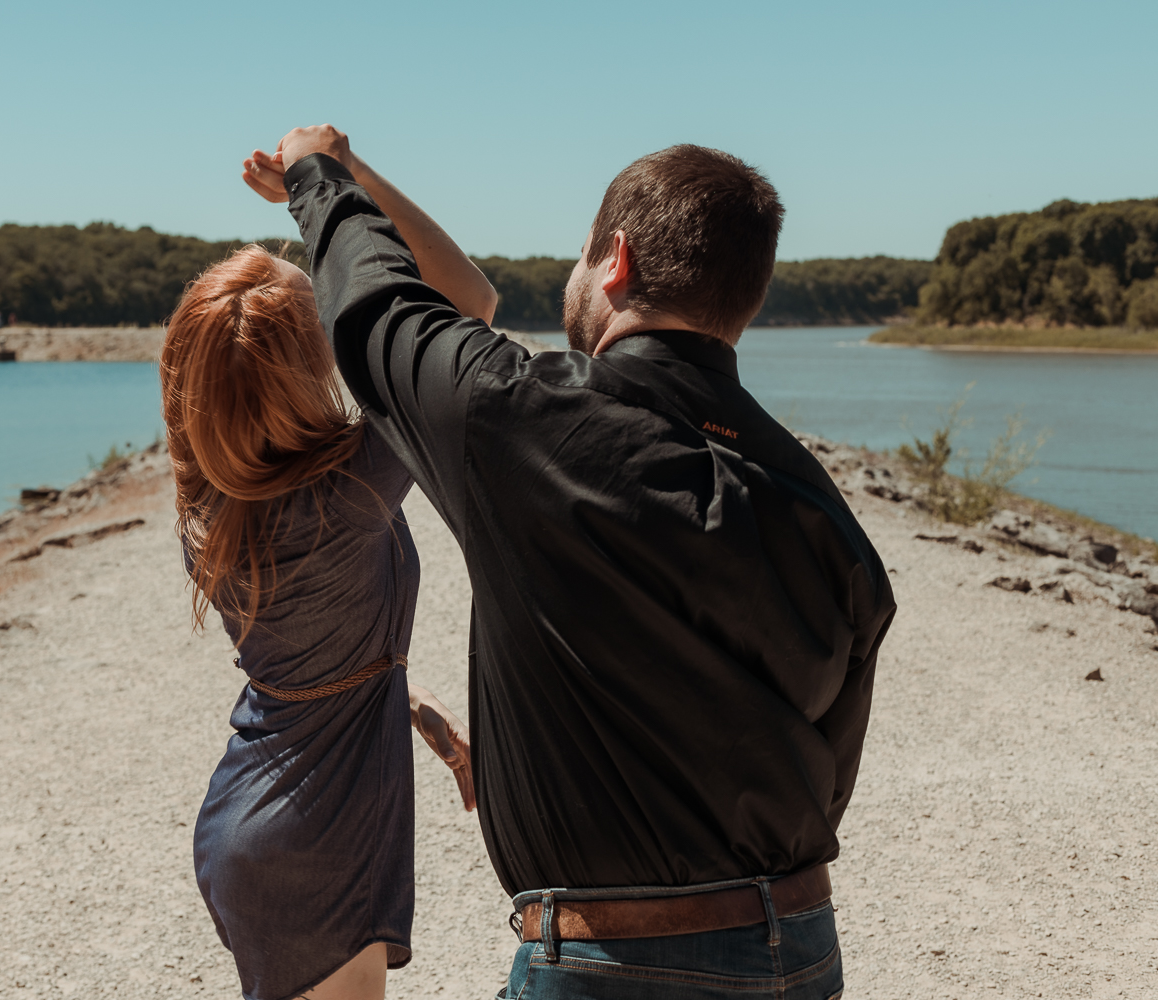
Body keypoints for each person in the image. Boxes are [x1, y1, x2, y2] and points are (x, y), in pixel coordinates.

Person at [249, 126, 897, 999]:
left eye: (581, 255)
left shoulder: (521, 419)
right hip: (801, 951)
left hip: (614, 966)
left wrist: (317, 172)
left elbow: (377, 314)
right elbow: (820, 772)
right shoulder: (824, 511)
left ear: (616, 261)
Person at [161, 149, 495, 1000]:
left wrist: (412, 713)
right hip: (316, 835)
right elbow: (471, 305)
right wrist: (341, 179)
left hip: (251, 812)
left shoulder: (210, 495)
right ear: (313, 365)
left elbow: (307, 658)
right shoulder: (352, 484)